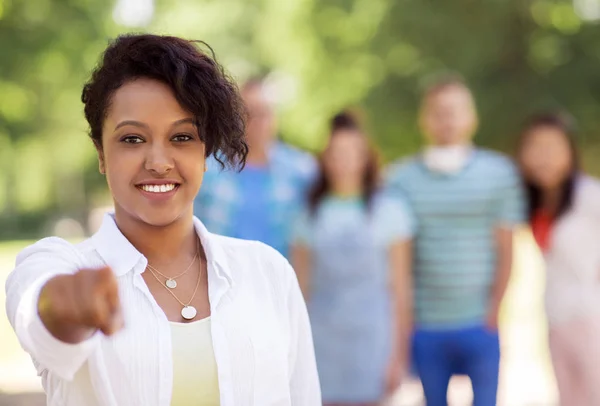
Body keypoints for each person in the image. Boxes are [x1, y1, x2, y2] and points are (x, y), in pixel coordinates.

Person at [4, 34, 320, 406]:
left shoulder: (268, 273)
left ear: (205, 153)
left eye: (182, 137)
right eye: (133, 139)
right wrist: (64, 304)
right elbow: (36, 308)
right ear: (101, 153)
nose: (158, 161)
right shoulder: (64, 266)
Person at [385, 76, 524, 406]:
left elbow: (507, 249)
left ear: (471, 117)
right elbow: (398, 259)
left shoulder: (500, 173)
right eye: (438, 112)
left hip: (480, 320)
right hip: (426, 322)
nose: (447, 119)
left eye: (455, 111)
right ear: (425, 119)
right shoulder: (400, 180)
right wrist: (406, 320)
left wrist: (494, 310)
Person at [291, 112, 414, 406]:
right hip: (322, 342)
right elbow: (299, 291)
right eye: (335, 154)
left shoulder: (391, 211)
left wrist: (399, 356)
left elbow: (400, 288)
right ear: (325, 160)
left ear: (365, 158)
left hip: (373, 341)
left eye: (351, 153)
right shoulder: (308, 215)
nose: (343, 162)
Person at [516, 112, 600, 406]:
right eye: (535, 147)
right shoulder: (538, 202)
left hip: (590, 320)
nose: (543, 157)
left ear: (570, 151)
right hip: (555, 319)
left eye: (551, 147)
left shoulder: (589, 196)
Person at [194, 78, 316, 258]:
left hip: (278, 279)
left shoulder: (301, 170)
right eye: (248, 113)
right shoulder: (208, 169)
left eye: (264, 113)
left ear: (275, 117)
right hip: (221, 277)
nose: (257, 122)